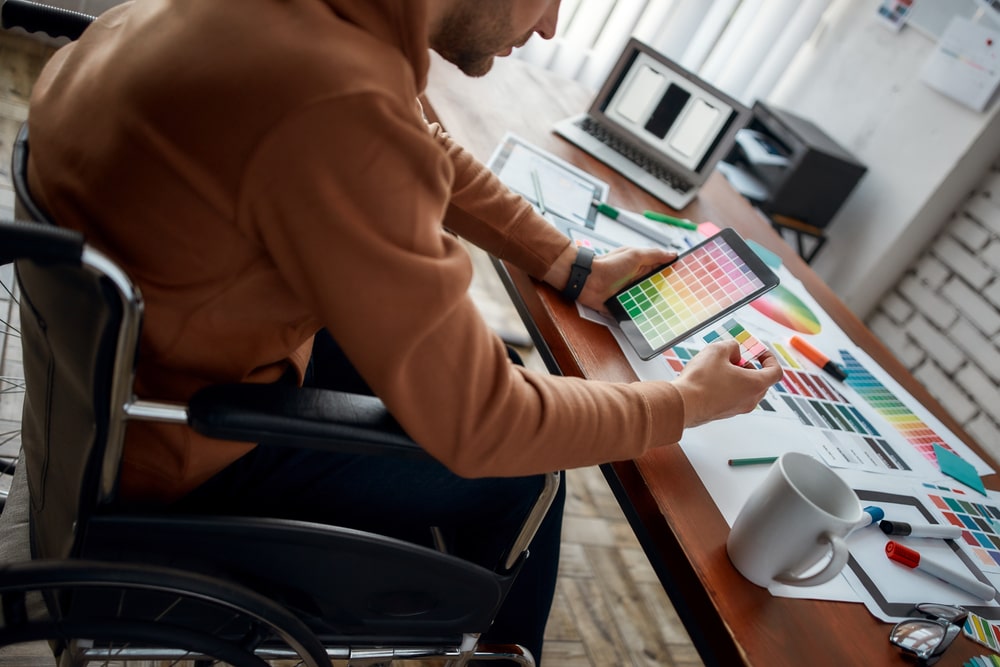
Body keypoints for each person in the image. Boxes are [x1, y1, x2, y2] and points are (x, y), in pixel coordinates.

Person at [24, 0, 784, 662]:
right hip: (182, 467)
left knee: (488, 379)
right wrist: (684, 402)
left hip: (121, 399)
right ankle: (492, 651)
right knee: (527, 474)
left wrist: (570, 262)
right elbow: (486, 425)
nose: (552, 25)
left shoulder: (311, 27)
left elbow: (423, 145)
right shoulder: (334, 102)